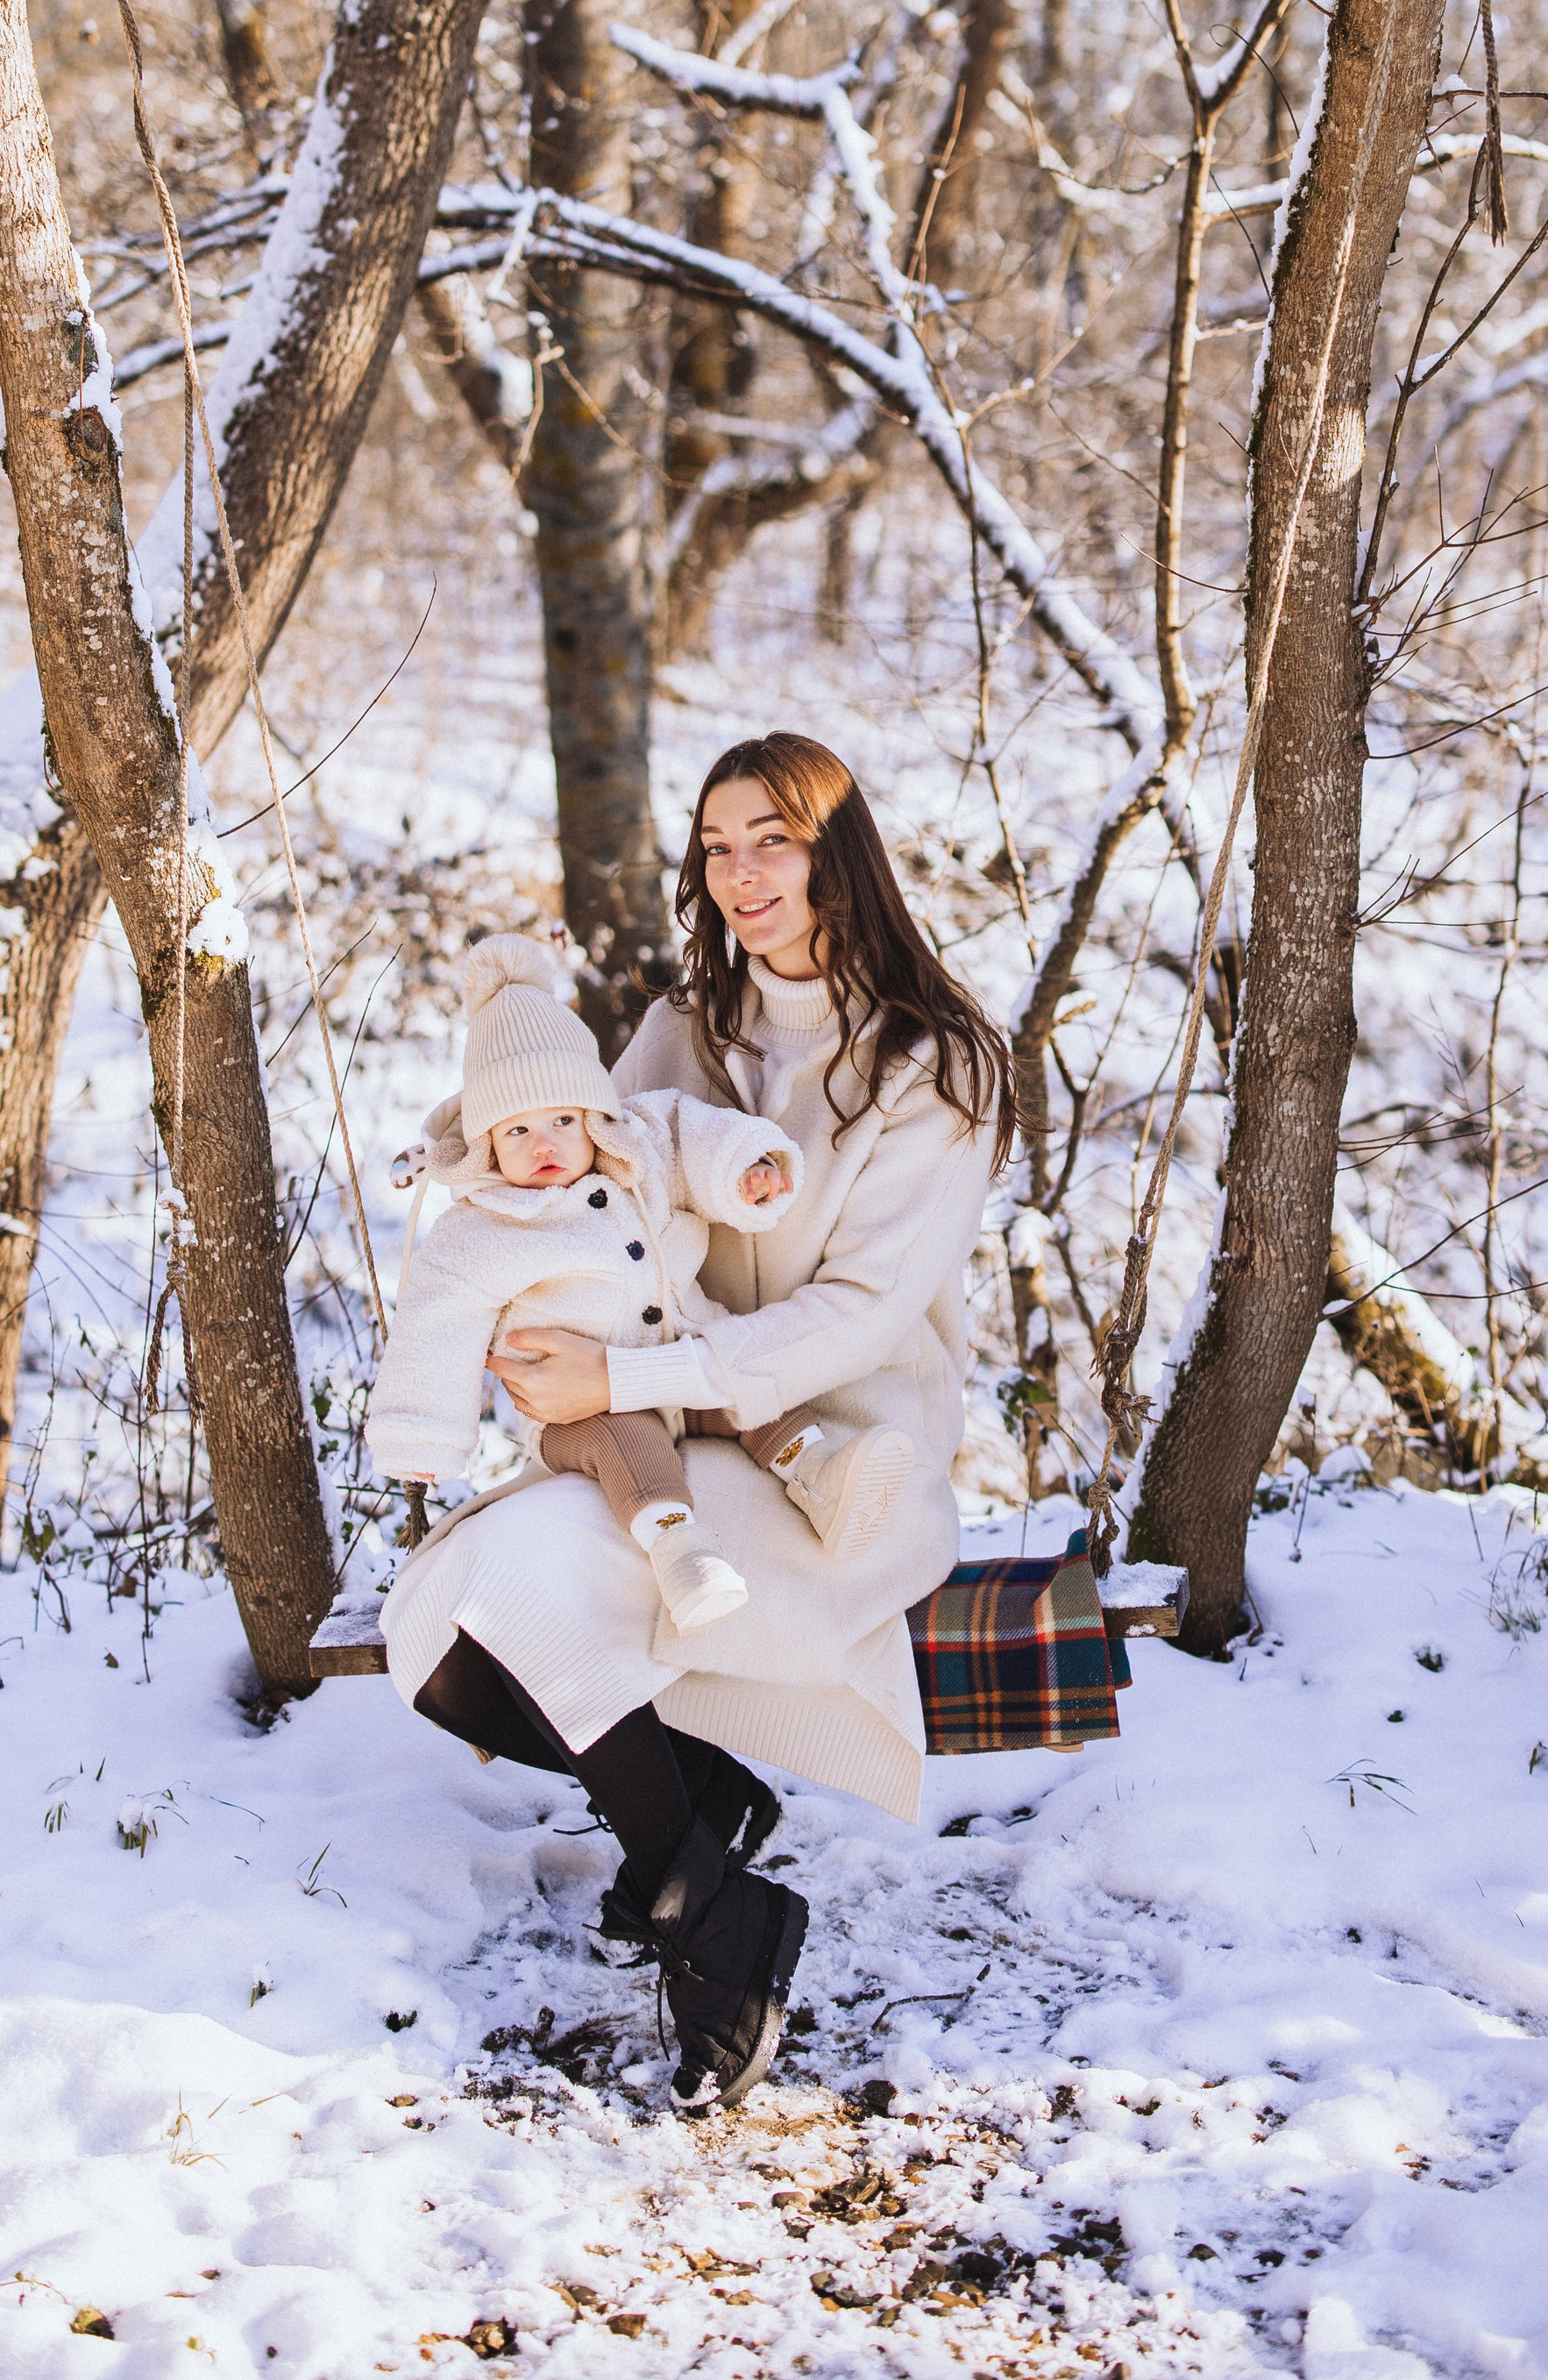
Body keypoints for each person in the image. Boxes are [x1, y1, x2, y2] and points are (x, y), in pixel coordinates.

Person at [379, 735, 1012, 2112]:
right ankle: (707, 1834)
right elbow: (572, 1193)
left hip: (835, 1464)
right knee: (438, 1640)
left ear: (841, 851)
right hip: (676, 1439)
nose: (742, 873)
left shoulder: (936, 1063)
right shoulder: (686, 1026)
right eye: (718, 846)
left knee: (516, 1578)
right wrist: (512, 1317)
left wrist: (616, 1384)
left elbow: (854, 1315)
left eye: (773, 838)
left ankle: (713, 1929)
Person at [369, 934, 908, 1631]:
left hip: (682, 1357)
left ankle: (822, 1475)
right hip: (577, 1411)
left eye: (562, 1119)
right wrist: (422, 1440)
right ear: (486, 1144)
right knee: (628, 1446)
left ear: (595, 1116)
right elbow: (434, 1324)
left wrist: (747, 1172)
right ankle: (683, 1554)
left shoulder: (640, 1148)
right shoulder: (482, 1228)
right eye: (517, 1131)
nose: (544, 1143)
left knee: (751, 1389)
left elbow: (697, 1141)